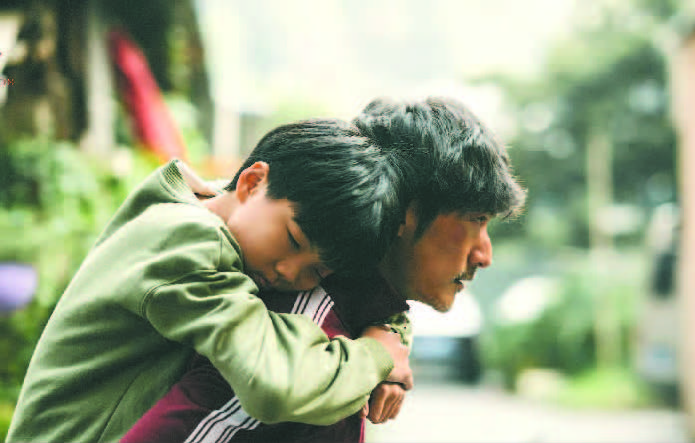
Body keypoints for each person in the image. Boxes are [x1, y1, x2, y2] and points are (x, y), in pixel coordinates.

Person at [121, 96, 527, 443]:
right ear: (407, 210)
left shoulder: (351, 315)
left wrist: (389, 332)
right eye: (476, 219)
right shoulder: (302, 339)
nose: (484, 254)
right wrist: (378, 355)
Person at [5, 119, 415, 443]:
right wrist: (377, 355)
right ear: (253, 182)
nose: (290, 273)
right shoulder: (189, 244)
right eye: (292, 239)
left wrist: (389, 326)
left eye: (318, 272)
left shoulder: (209, 212)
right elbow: (272, 383)